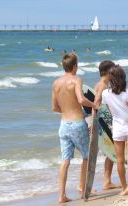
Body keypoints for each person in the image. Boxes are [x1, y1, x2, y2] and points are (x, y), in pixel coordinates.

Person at [52, 53, 97, 203]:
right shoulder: (76, 80)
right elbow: (81, 99)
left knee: (65, 160)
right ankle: (83, 189)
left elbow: (54, 107)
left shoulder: (56, 83)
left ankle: (61, 196)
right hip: (77, 123)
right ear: (75, 66)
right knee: (87, 156)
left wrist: (67, 110)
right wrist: (94, 105)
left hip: (63, 125)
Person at [102, 65, 128, 195]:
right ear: (123, 78)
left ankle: (124, 187)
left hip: (117, 128)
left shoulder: (105, 94)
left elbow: (109, 109)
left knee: (119, 159)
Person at [93, 60, 121, 190]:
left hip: (105, 122)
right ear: (107, 71)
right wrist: (94, 121)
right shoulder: (102, 86)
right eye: (112, 70)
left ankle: (107, 181)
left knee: (110, 152)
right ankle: (106, 181)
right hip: (104, 124)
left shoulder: (101, 84)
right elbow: (97, 103)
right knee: (111, 151)